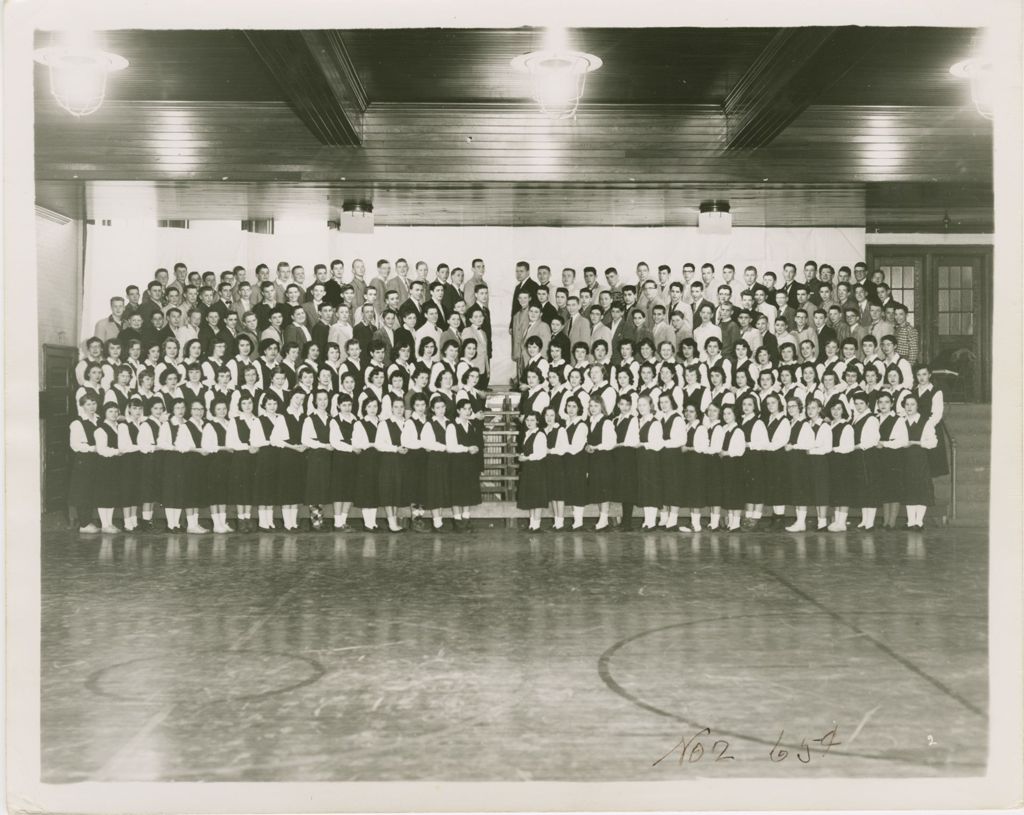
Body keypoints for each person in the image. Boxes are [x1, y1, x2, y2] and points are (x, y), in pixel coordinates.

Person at [448, 399, 483, 530]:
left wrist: (476, 448)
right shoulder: (452, 425)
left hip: (469, 463)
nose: (467, 411)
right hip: (456, 462)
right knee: (457, 491)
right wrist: (467, 448)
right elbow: (450, 447)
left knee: (467, 490)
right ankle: (457, 520)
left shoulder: (471, 425)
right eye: (464, 409)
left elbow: (476, 443)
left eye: (469, 409)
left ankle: (466, 518)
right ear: (458, 410)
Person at [375, 398, 409, 533]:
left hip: (403, 460)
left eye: (401, 407)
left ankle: (394, 522)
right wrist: (395, 448)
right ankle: (391, 523)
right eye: (396, 407)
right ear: (392, 409)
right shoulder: (384, 424)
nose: (399, 410)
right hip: (389, 459)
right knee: (389, 490)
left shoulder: (408, 423)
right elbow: (379, 444)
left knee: (397, 490)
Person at [421, 397, 453, 531]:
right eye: (438, 407)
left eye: (443, 407)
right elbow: (428, 443)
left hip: (447, 460)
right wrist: (445, 447)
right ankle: (436, 522)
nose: (441, 410)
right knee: (435, 489)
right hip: (435, 460)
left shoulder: (450, 423)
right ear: (433, 409)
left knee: (443, 489)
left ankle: (440, 520)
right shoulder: (429, 424)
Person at [516, 411, 548, 531]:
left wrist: (527, 457)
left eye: (532, 420)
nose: (529, 422)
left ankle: (537, 525)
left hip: (537, 468)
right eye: (527, 420)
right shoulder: (527, 433)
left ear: (538, 421)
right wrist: (522, 456)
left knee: (537, 497)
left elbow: (541, 453)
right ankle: (531, 524)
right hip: (528, 468)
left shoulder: (540, 434)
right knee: (530, 496)